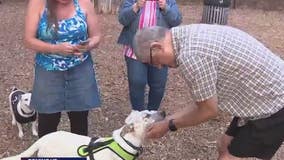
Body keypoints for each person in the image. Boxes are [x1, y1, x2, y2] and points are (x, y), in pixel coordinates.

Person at [132, 25, 284, 160]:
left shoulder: (191, 56)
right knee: (224, 145)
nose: (158, 67)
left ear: (157, 47)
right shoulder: (187, 34)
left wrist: (168, 125)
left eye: (153, 61)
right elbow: (204, 102)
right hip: (255, 96)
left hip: (273, 102)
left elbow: (208, 111)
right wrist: (167, 121)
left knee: (228, 157)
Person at [24, 0, 101, 138]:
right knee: (48, 121)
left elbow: (96, 36)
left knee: (80, 120)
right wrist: (55, 49)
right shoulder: (38, 4)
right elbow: (29, 40)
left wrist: (88, 45)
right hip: (48, 71)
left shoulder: (85, 3)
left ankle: (77, 155)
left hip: (80, 69)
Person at [117, 0, 182, 111]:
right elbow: (123, 19)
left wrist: (165, 8)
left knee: (158, 85)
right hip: (134, 48)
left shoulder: (168, 1)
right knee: (137, 82)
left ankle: (152, 115)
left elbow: (176, 21)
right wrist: (136, 6)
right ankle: (138, 115)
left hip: (160, 51)